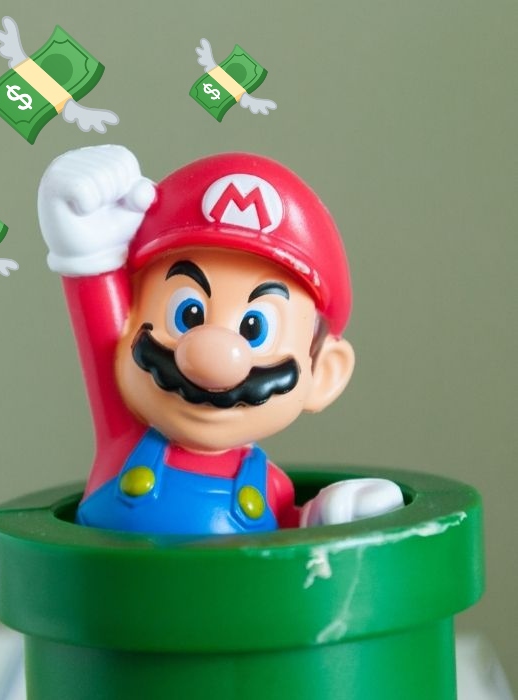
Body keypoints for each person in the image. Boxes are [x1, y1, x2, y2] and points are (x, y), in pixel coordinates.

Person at [38, 145, 402, 535]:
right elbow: (100, 332)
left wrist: (330, 516)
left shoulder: (271, 490)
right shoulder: (125, 442)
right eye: (188, 315)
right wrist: (86, 248)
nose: (213, 360)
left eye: (254, 329)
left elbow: (292, 545)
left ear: (325, 374)